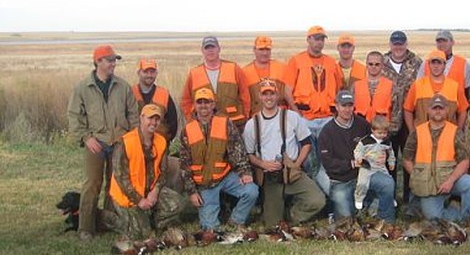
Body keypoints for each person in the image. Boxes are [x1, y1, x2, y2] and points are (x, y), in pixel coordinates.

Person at [67, 45, 139, 240]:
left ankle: (107, 222)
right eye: (110, 60)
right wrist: (86, 138)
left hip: (119, 142)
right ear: (98, 61)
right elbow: (74, 117)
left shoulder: (123, 86)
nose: (113, 64)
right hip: (96, 143)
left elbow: (133, 115)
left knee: (114, 185)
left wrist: (131, 141)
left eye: (115, 60)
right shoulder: (83, 88)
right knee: (92, 184)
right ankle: (86, 228)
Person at [243, 79, 325, 227]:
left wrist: (296, 165)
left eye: (272, 94)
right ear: (260, 97)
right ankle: (276, 216)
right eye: (265, 94)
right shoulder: (252, 124)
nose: (269, 98)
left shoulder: (292, 117)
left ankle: (292, 216)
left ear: (278, 95)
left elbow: (306, 144)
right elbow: (249, 155)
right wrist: (262, 164)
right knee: (272, 226)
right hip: (270, 177)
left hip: (291, 173)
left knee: (317, 200)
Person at [179, 88, 259, 230]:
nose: (203, 105)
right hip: (204, 184)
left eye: (207, 102)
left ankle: (236, 220)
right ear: (195, 105)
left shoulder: (225, 123)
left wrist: (244, 172)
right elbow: (184, 166)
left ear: (213, 105)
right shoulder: (187, 130)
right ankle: (214, 219)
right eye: (200, 102)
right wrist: (192, 192)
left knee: (251, 191)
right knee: (210, 228)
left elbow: (237, 151)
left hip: (225, 177)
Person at [107, 104, 183, 239]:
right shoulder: (125, 142)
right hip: (127, 195)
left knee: (177, 202)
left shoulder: (161, 142)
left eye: (156, 119)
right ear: (141, 118)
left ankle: (158, 224)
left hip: (149, 191)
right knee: (141, 235)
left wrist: (155, 192)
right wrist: (139, 199)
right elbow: (120, 177)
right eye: (150, 118)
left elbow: (163, 171)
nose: (153, 123)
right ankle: (109, 219)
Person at [318, 90, 396, 221]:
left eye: (350, 105)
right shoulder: (327, 132)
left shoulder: (362, 124)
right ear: (336, 106)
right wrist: (351, 163)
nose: (347, 109)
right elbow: (328, 163)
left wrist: (385, 155)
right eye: (343, 106)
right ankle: (355, 208)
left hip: (366, 173)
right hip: (341, 180)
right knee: (345, 220)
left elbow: (381, 142)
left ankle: (386, 221)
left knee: (387, 183)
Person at [403, 94, 470, 223]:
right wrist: (417, 176)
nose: (438, 111)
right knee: (434, 219)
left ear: (447, 110)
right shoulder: (417, 132)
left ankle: (468, 221)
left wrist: (450, 181)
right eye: (434, 108)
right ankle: (454, 209)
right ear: (428, 110)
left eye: (441, 108)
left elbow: (465, 161)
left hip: (450, 180)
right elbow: (406, 159)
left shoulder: (455, 131)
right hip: (428, 185)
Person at [284, 26, 343, 193]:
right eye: (316, 38)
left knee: (327, 160)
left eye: (322, 39)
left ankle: (326, 197)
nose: (319, 42)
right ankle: (311, 193)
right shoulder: (296, 61)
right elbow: (287, 90)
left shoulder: (332, 63)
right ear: (308, 39)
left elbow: (339, 90)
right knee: (308, 161)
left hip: (327, 119)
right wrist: (296, 111)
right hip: (305, 119)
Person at [180, 36, 259, 129]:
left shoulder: (233, 68)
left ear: (219, 49)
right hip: (206, 126)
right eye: (207, 48)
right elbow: (186, 101)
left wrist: (245, 116)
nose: (210, 50)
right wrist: (192, 121)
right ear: (202, 50)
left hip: (234, 124)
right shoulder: (194, 74)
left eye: (213, 47)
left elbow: (245, 96)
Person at [382, 30, 423, 202]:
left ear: (406, 44)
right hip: (386, 121)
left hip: (409, 120)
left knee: (409, 159)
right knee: (387, 161)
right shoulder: (381, 62)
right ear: (390, 44)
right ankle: (389, 199)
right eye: (395, 43)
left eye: (401, 43)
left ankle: (409, 198)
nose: (398, 47)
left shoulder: (417, 62)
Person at [404, 50, 468, 132]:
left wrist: (457, 131)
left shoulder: (455, 86)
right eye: (433, 63)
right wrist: (412, 131)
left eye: (439, 63)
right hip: (422, 136)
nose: (436, 66)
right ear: (428, 65)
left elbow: (463, 111)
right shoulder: (417, 85)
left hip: (447, 136)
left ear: (445, 65)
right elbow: (408, 110)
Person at [353, 115, 396, 210]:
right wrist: (359, 158)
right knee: (362, 183)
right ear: (372, 130)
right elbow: (357, 150)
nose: (382, 135)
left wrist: (391, 162)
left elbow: (391, 152)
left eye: (385, 133)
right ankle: (359, 198)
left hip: (380, 166)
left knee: (389, 181)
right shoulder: (365, 141)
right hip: (367, 166)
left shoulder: (386, 142)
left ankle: (390, 198)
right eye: (379, 133)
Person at [131, 58, 178, 142]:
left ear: (156, 73)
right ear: (138, 73)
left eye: (152, 72)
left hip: (159, 144)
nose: (149, 75)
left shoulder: (164, 94)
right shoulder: (130, 93)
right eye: (145, 72)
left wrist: (165, 141)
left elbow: (173, 123)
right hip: (135, 143)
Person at [243, 35, 292, 116]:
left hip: (281, 117)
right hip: (257, 118)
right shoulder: (245, 72)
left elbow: (290, 96)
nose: (265, 53)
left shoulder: (283, 68)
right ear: (254, 50)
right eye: (261, 49)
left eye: (267, 49)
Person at [352, 51, 396, 126]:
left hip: (382, 131)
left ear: (382, 66)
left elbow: (396, 111)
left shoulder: (391, 85)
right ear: (366, 65)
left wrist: (391, 131)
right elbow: (351, 109)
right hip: (360, 129)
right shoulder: (356, 85)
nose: (373, 66)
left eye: (377, 64)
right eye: (370, 64)